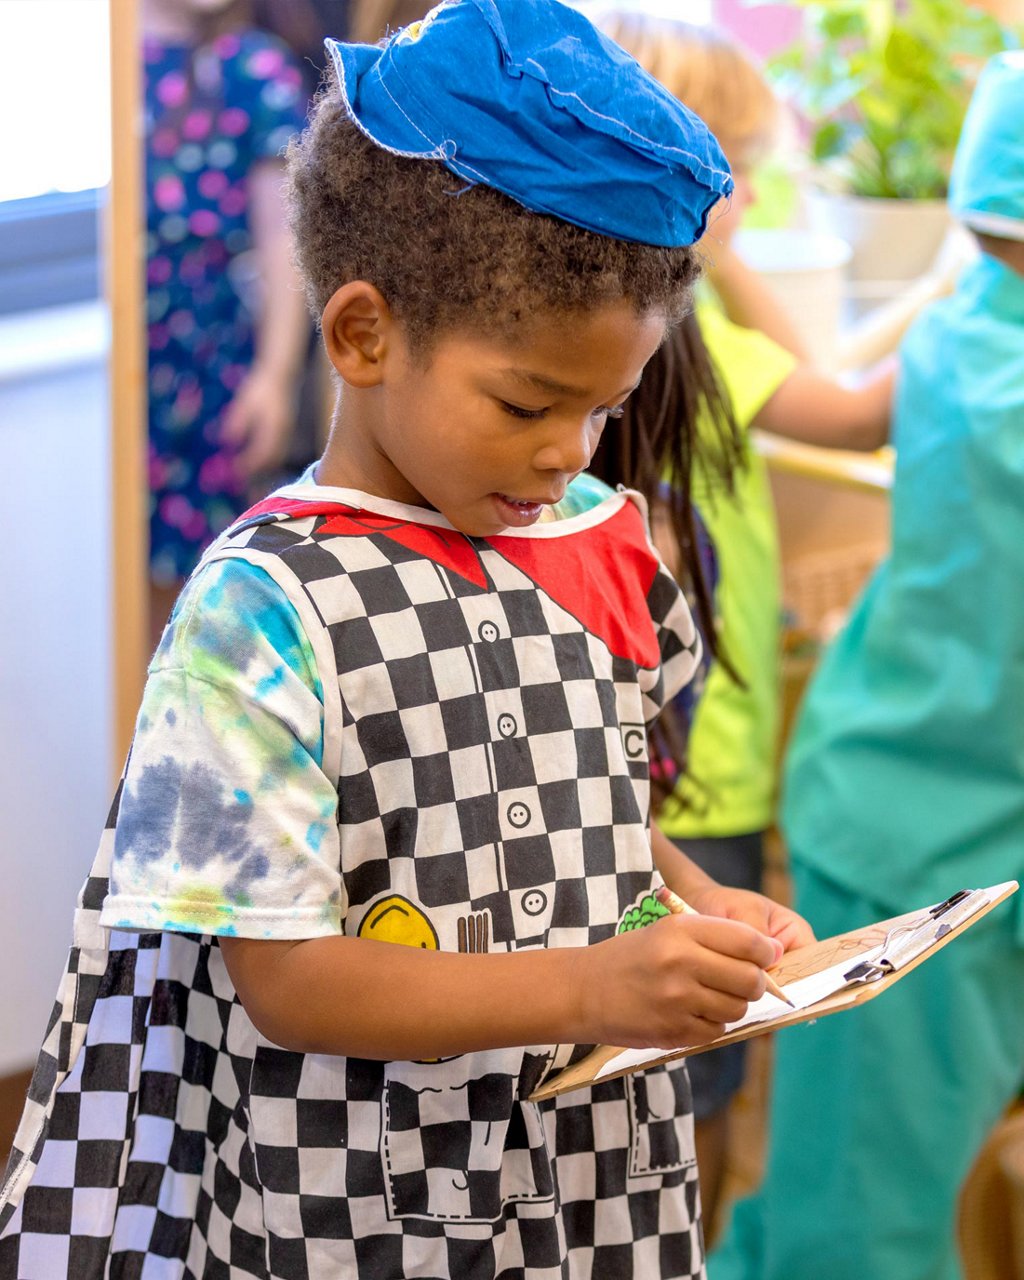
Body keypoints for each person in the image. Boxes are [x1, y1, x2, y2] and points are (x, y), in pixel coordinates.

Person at [0, 4, 814, 1276]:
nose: (568, 453)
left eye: (602, 409)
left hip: (588, 1176)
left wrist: (700, 908)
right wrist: (596, 984)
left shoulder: (595, 537)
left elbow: (572, 798)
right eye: (527, 403)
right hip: (360, 1201)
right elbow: (287, 977)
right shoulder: (262, 607)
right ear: (363, 333)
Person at [712, 51, 1024, 1280]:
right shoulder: (972, 357)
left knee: (854, 1195)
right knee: (855, 1221)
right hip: (910, 838)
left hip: (929, 807)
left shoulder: (955, 333)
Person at [595, 12, 894, 1236]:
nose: (759, 195)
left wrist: (716, 231)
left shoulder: (680, 322)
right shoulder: (692, 335)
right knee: (690, 1088)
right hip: (697, 783)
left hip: (689, 772)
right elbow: (853, 401)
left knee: (683, 1081)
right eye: (741, 171)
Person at [143, 0, 314, 636]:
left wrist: (272, 376)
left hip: (213, 366)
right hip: (128, 368)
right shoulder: (110, 69)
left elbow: (283, 245)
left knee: (204, 593)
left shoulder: (252, 69)